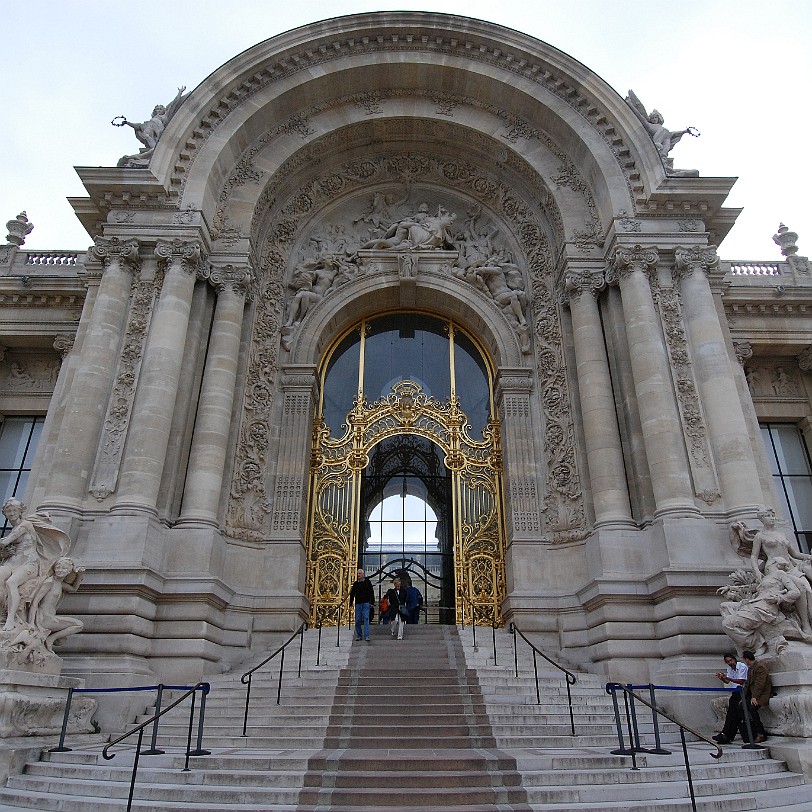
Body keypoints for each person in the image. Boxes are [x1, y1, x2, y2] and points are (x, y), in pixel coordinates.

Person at [0, 498, 69, 632]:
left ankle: (10, 619)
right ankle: (3, 614)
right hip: (12, 562)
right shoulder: (15, 527)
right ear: (5, 513)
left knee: (11, 583)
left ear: (20, 512)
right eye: (8, 511)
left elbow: (5, 542)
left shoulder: (25, 525)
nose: (12, 513)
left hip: (28, 564)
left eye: (14, 510)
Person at [712, 652, 748, 744]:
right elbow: (728, 681)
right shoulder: (730, 669)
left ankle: (727, 734)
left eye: (731, 660)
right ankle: (726, 734)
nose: (730, 663)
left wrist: (728, 678)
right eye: (728, 661)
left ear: (734, 659)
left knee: (733, 713)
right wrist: (722, 678)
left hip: (743, 691)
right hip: (735, 692)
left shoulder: (742, 666)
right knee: (731, 714)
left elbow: (741, 680)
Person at [738, 650, 772, 744]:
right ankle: (752, 730)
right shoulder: (751, 668)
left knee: (752, 708)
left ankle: (760, 733)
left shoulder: (760, 667)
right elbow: (748, 684)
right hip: (754, 694)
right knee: (741, 707)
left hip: (762, 695)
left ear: (747, 659)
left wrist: (754, 697)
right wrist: (743, 697)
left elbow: (760, 684)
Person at [348, 568, 374, 643]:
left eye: (359, 573)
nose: (358, 575)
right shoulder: (356, 584)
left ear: (363, 574)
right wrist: (350, 604)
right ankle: (359, 635)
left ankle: (367, 636)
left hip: (366, 603)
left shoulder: (367, 582)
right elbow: (352, 594)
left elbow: (371, 592)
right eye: (357, 573)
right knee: (358, 620)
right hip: (358, 603)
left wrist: (372, 602)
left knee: (366, 619)